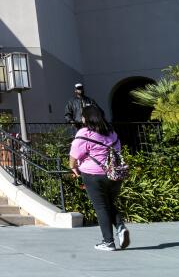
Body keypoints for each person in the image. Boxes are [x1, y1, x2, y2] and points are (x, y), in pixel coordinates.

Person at [69, 105, 130, 252]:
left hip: (93, 175)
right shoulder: (112, 133)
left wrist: (73, 167)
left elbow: (74, 154)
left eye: (83, 116)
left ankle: (108, 242)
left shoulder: (85, 133)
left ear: (87, 118)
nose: (81, 118)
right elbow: (117, 151)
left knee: (101, 207)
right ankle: (120, 227)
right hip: (114, 174)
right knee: (108, 204)